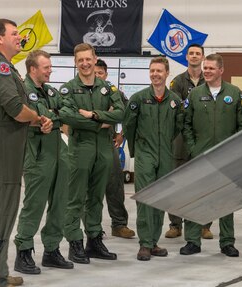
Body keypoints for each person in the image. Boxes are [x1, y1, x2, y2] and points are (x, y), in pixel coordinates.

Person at [0, 19, 52, 287]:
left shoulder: (0, 67)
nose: (20, 37)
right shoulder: (0, 68)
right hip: (4, 142)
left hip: (3, 140)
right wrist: (39, 117)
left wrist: (32, 118)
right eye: (14, 33)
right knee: (3, 210)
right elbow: (16, 109)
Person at [59, 43, 124, 264]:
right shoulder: (68, 88)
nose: (85, 63)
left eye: (88, 59)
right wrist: (102, 122)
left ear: (95, 59)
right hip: (80, 150)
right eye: (80, 60)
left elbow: (121, 113)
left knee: (96, 197)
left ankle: (94, 240)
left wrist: (93, 115)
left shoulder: (108, 88)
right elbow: (67, 116)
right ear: (75, 63)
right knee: (76, 199)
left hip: (104, 150)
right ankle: (74, 242)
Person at [13, 50, 74, 275]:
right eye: (46, 67)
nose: (50, 70)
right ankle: (24, 251)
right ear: (33, 69)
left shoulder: (50, 91)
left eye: (50, 67)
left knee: (60, 203)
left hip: (59, 150)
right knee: (34, 204)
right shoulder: (22, 90)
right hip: (37, 152)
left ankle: (52, 250)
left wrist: (50, 115)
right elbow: (19, 115)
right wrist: (40, 119)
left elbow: (67, 110)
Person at [180, 53, 242, 257]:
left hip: (227, 157)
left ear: (221, 70)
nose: (206, 71)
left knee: (227, 200)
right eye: (204, 68)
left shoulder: (234, 93)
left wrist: (234, 149)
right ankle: (192, 241)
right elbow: (186, 124)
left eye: (210, 68)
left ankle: (227, 242)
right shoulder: (195, 94)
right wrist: (193, 148)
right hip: (200, 156)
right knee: (196, 199)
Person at [123, 57, 183, 261]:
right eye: (152, 71)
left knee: (160, 199)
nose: (155, 74)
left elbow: (177, 128)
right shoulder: (138, 98)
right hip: (145, 154)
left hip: (165, 155)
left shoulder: (174, 100)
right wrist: (137, 151)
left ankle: (154, 242)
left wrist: (165, 145)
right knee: (145, 198)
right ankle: (145, 243)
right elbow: (129, 126)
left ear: (167, 74)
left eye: (159, 71)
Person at [165, 44, 214, 239]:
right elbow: (175, 110)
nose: (194, 56)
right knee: (177, 184)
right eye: (191, 53)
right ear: (186, 57)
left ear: (202, 58)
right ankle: (176, 224)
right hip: (180, 142)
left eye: (198, 54)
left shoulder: (210, 81)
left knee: (204, 184)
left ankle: (204, 225)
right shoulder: (177, 82)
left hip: (203, 139)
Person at [94, 59, 135, 239]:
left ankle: (119, 224)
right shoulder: (78, 91)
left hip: (107, 143)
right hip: (84, 143)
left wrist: (122, 134)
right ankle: (92, 228)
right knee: (90, 188)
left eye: (100, 73)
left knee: (115, 184)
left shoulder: (114, 93)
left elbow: (128, 114)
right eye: (94, 73)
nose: (97, 76)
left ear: (106, 74)